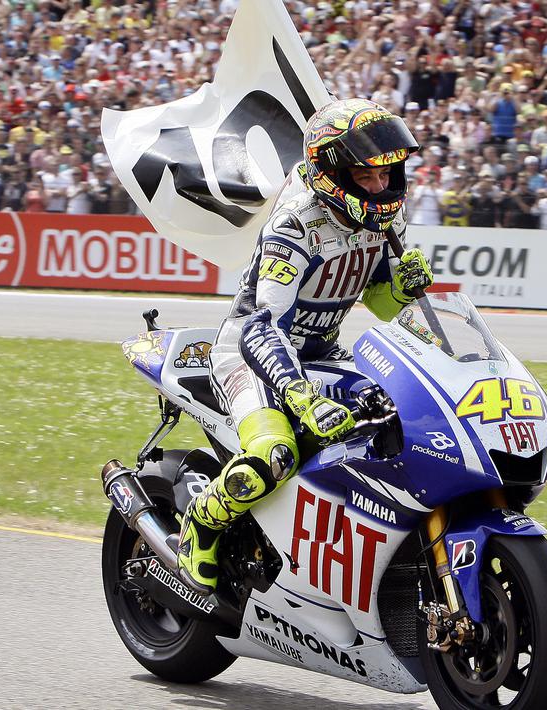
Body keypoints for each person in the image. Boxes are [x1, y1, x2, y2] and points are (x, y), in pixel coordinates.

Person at [176, 99, 432, 595]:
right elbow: (261, 325)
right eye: (366, 176)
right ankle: (202, 525)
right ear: (332, 172)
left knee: (392, 427)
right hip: (251, 356)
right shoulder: (296, 224)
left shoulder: (385, 221)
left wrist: (402, 288)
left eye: (388, 174)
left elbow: (379, 302)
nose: (381, 186)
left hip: (320, 352)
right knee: (274, 453)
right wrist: (299, 396)